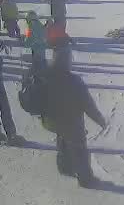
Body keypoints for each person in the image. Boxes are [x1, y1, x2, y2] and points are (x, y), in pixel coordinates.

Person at [44, 46, 107, 188]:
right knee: (79, 148)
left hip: (51, 120)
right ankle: (85, 179)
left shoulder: (46, 75)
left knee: (62, 138)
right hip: (71, 122)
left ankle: (64, 167)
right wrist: (100, 119)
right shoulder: (74, 81)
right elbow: (88, 104)